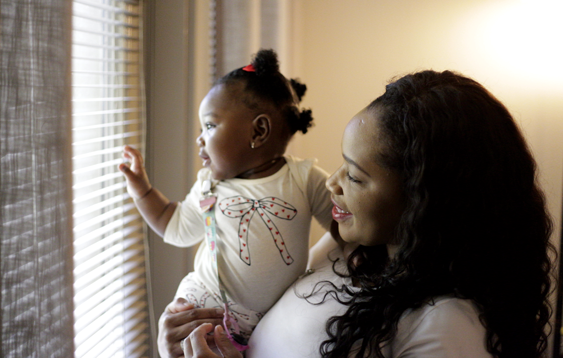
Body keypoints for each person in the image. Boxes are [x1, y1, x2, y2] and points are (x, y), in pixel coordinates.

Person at [162, 70, 554, 358]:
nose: (332, 183)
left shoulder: (448, 327)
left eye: (355, 176)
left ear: (422, 198)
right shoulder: (349, 250)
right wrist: (193, 338)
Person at [119, 49, 335, 349]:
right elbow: (175, 225)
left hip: (265, 324)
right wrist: (142, 191)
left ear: (258, 131)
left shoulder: (304, 179)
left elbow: (347, 225)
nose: (199, 138)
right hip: (202, 308)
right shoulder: (210, 186)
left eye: (209, 125)